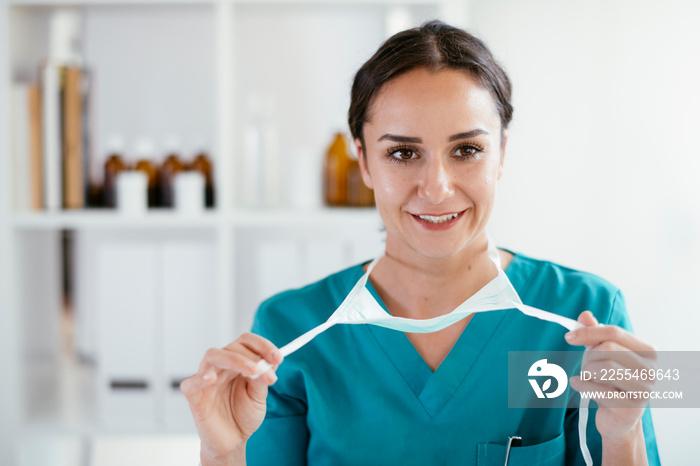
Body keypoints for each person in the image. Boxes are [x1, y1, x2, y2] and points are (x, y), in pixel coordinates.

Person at [181, 21, 661, 465]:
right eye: (403, 153)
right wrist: (222, 453)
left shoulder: (584, 316)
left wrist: (623, 437)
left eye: (467, 150)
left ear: (501, 155)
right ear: (364, 161)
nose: (436, 188)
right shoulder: (289, 333)